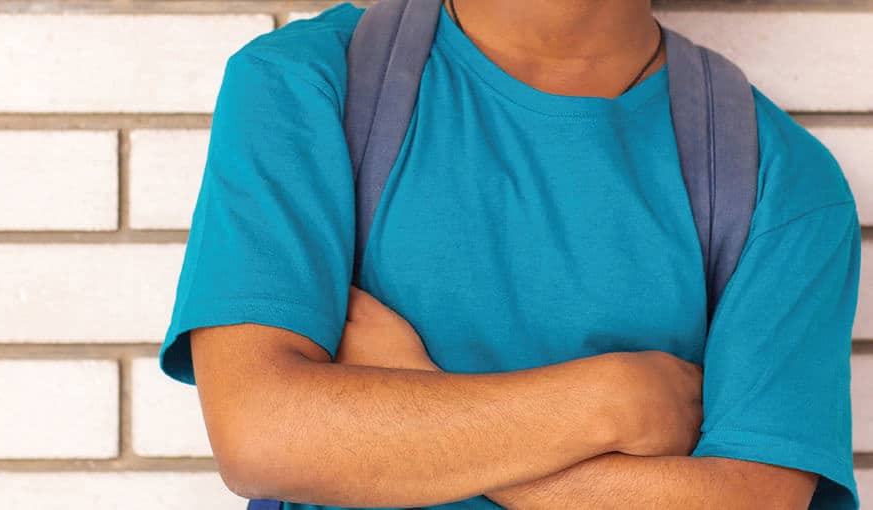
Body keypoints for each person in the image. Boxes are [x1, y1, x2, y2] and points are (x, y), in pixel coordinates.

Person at [158, 0, 862, 508]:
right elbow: (263, 434)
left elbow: (752, 500)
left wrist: (413, 393)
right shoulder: (304, 84)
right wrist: (613, 401)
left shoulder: (779, 181)